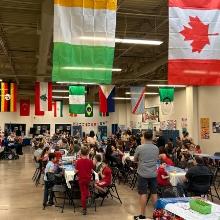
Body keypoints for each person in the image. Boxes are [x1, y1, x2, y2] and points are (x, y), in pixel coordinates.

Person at [134, 130, 159, 220]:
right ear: (152, 138)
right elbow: (156, 159)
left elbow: (135, 159)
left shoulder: (140, 147)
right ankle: (157, 214)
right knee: (154, 193)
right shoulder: (156, 148)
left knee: (143, 193)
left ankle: (142, 215)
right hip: (153, 173)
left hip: (143, 173)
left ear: (144, 137)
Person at [75, 146, 94, 215]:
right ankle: (88, 196)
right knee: (86, 189)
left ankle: (84, 208)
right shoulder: (90, 161)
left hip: (81, 179)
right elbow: (92, 170)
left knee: (82, 193)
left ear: (81, 152)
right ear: (88, 153)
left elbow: (76, 171)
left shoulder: (78, 161)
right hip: (88, 179)